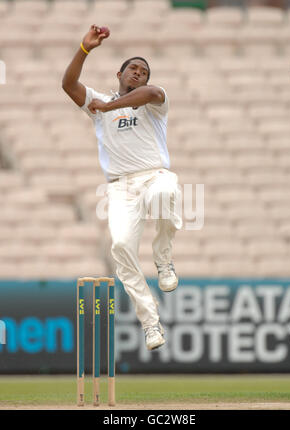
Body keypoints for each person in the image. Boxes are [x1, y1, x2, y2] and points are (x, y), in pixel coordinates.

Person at [62, 25, 182, 351]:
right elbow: (68, 84)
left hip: (154, 174)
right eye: (133, 68)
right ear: (120, 73)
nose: (139, 74)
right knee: (121, 248)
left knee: (166, 192)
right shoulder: (98, 101)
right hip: (120, 188)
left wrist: (110, 108)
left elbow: (152, 93)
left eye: (143, 72)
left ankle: (163, 260)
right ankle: (151, 324)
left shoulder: (153, 102)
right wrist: (84, 49)